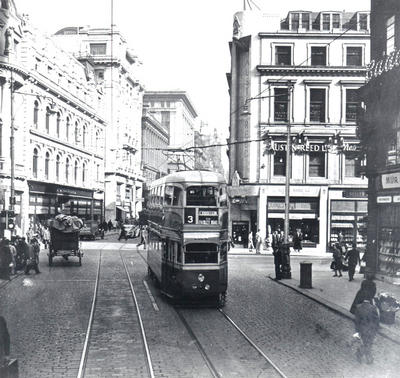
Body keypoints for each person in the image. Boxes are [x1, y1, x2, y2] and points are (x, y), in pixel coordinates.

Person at [354, 289, 380, 364]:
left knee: (366, 343)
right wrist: (376, 329)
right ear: (370, 299)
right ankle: (366, 357)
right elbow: (376, 320)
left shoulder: (358, 307)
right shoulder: (373, 308)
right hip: (371, 330)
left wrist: (357, 331)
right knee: (369, 344)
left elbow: (356, 321)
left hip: (362, 330)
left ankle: (362, 355)